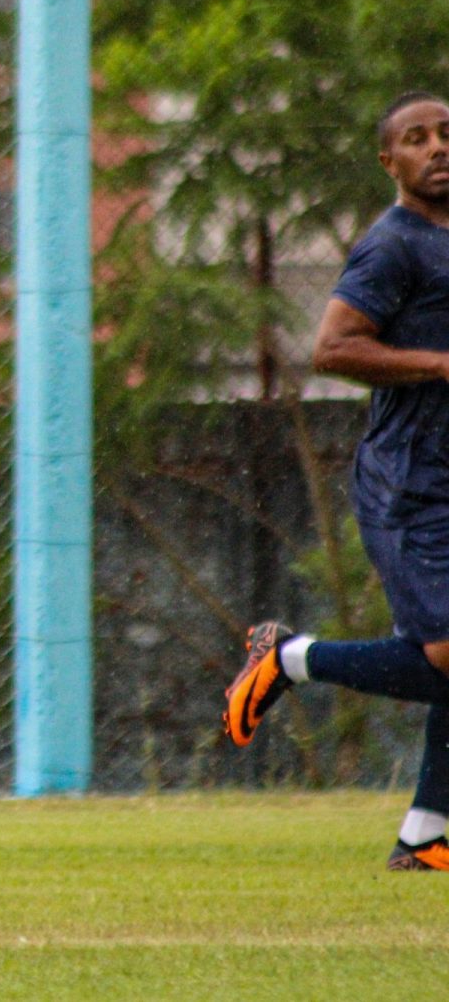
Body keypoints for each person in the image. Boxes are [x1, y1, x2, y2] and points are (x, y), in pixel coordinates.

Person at [224, 90, 449, 871]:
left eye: (447, 134)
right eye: (417, 139)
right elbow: (332, 349)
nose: (438, 147)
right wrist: (440, 364)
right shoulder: (393, 246)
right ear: (391, 162)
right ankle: (290, 658)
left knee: (442, 657)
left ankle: (427, 837)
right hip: (411, 482)